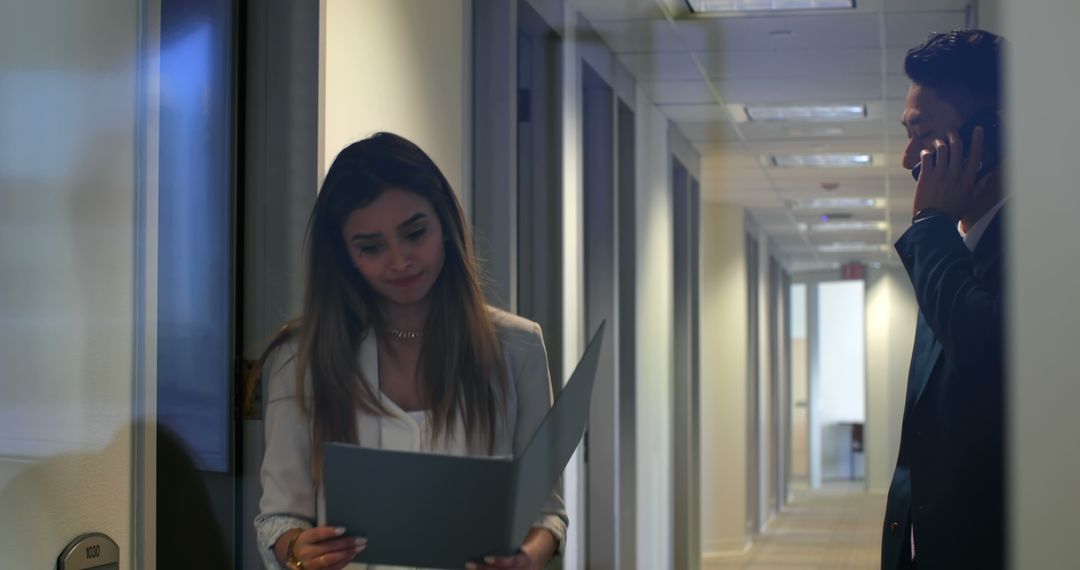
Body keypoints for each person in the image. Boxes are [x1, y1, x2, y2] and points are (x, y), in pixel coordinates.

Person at [249, 132, 566, 570]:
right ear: (344, 255)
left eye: (415, 234)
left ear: (446, 227)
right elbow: (278, 518)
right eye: (371, 248)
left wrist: (527, 559)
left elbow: (547, 510)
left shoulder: (518, 347)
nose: (399, 262)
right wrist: (297, 552)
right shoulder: (300, 359)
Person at [882, 29, 1007, 570]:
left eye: (922, 133)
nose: (908, 157)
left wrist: (931, 225)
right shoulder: (960, 252)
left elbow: (988, 356)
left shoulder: (1046, 255)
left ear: (989, 135)